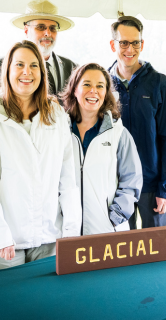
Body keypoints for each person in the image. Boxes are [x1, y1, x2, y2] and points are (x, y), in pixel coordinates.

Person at [0, 40, 81, 273]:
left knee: (44, 307)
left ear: (43, 72)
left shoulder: (57, 114)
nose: (26, 72)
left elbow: (68, 180)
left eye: (34, 65)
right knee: (4, 306)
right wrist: (0, 235)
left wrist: (70, 234)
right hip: (3, 242)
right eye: (19, 64)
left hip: (49, 236)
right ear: (7, 70)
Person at [108, 16, 166, 229]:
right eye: (123, 43)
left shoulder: (160, 84)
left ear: (142, 44)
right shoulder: (102, 84)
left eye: (135, 43)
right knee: (120, 253)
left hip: (152, 185)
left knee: (157, 253)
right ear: (113, 45)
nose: (130, 49)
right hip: (116, 186)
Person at [60, 63, 143, 235]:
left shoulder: (119, 133)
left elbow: (131, 181)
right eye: (87, 84)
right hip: (66, 232)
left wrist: (114, 218)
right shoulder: (59, 131)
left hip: (107, 230)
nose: (94, 91)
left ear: (106, 93)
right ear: (74, 89)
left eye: (100, 86)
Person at [0, 0, 77, 98]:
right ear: (26, 30)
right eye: (40, 27)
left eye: (53, 28)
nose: (47, 33)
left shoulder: (71, 67)